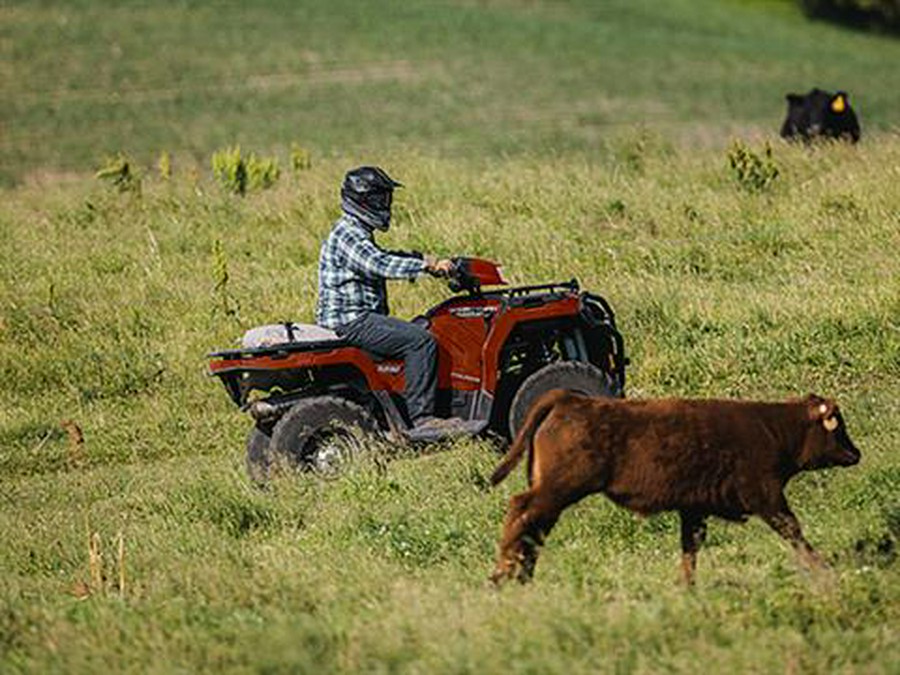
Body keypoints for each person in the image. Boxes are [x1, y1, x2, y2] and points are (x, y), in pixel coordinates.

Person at [316, 166, 478, 437]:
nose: (385, 205)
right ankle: (422, 418)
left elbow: (382, 254)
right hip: (352, 322)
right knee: (420, 341)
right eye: (380, 199)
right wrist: (428, 266)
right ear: (364, 200)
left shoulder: (355, 231)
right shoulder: (348, 234)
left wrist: (425, 259)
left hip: (356, 319)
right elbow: (379, 263)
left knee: (424, 328)